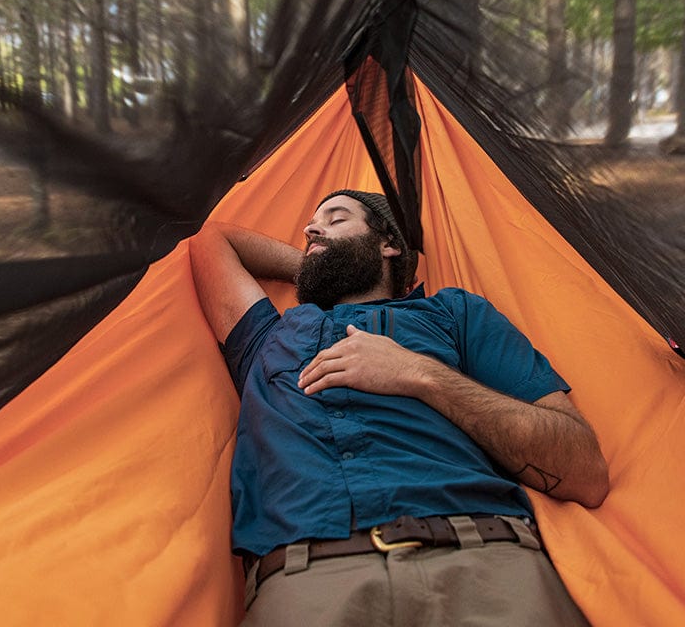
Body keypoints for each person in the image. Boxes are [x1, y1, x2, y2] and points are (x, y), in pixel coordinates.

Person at [189, 189, 609, 626]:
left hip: (485, 561)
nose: (313, 229)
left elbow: (584, 471)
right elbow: (211, 240)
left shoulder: (453, 314)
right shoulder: (268, 337)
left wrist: (419, 374)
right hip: (310, 581)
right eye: (312, 227)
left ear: (389, 244)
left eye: (335, 220)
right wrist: (326, 264)